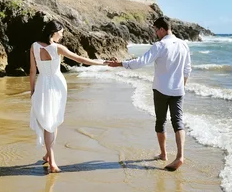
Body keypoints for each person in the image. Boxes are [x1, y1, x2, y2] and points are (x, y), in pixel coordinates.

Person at [107, 16, 192, 171]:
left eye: (155, 30)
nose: (155, 33)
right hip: (179, 90)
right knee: (178, 122)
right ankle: (180, 156)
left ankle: (163, 154)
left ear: (162, 29)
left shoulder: (160, 45)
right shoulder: (183, 45)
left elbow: (141, 62)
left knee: (160, 122)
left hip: (161, 89)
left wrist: (120, 64)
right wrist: (182, 86)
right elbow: (187, 69)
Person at [30, 20, 107, 173]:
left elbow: (32, 72)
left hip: (42, 84)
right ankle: (52, 162)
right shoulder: (57, 48)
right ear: (54, 32)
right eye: (61, 32)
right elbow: (80, 59)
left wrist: (32, 92)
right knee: (50, 123)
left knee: (49, 121)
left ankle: (47, 154)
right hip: (56, 86)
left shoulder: (34, 46)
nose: (62, 35)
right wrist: (102, 63)